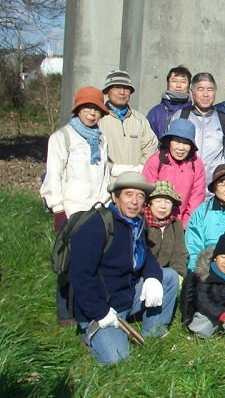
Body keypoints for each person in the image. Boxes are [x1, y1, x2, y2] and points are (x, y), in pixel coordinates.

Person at [70, 172, 179, 366]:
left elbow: (147, 255)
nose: (134, 201)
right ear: (115, 197)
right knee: (117, 360)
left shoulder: (136, 223)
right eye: (128, 194)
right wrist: (100, 312)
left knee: (168, 277)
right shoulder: (97, 225)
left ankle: (153, 334)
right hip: (100, 306)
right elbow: (80, 276)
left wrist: (153, 278)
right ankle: (90, 335)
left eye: (140, 196)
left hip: (126, 296)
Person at [40, 86, 112, 325]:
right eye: (87, 108)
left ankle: (85, 309)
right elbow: (54, 174)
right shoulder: (62, 137)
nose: (92, 114)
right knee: (68, 264)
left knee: (92, 264)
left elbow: (105, 174)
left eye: (96, 109)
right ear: (78, 109)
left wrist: (105, 203)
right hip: (72, 210)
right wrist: (57, 208)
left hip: (96, 209)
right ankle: (64, 312)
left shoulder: (101, 139)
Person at [170, 72, 225, 193]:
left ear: (215, 92)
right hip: (183, 191)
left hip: (213, 191)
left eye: (210, 89)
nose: (206, 94)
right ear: (191, 92)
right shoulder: (180, 117)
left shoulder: (224, 120)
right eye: (200, 89)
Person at [142, 119, 205, 227]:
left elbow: (197, 198)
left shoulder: (196, 164)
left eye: (186, 143)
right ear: (169, 141)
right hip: (155, 221)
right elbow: (147, 194)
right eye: (177, 141)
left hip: (183, 224)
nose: (181, 148)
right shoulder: (155, 161)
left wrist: (184, 226)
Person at [98, 70, 158, 181]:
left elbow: (151, 146)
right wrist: (112, 168)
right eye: (116, 87)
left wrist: (141, 168)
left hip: (135, 184)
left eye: (126, 88)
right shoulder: (98, 119)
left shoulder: (139, 119)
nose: (122, 92)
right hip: (106, 183)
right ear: (106, 92)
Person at [143, 180, 188, 276]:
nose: (163, 206)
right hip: (143, 273)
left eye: (168, 202)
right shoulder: (141, 221)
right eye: (158, 201)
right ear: (149, 203)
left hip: (166, 274)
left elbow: (179, 254)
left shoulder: (176, 224)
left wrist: (178, 276)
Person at [146, 64, 193, 139]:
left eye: (183, 82)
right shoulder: (155, 112)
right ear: (168, 83)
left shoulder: (194, 112)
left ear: (189, 86)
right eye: (174, 81)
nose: (178, 85)